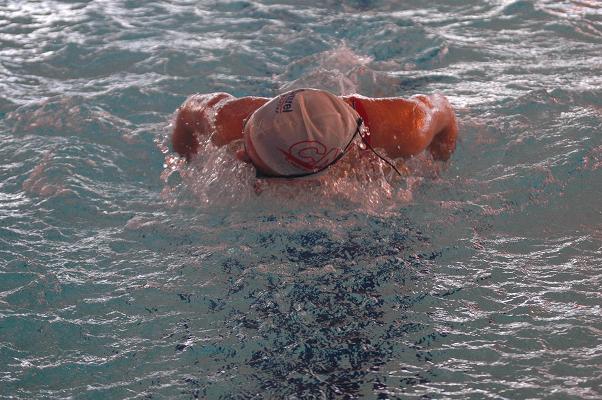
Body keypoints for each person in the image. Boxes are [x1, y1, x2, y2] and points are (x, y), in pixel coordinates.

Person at [171, 88, 458, 178]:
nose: (238, 156)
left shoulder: (407, 125)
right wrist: (189, 162)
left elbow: (445, 115)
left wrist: (436, 170)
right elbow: (186, 112)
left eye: (254, 165)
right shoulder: (230, 120)